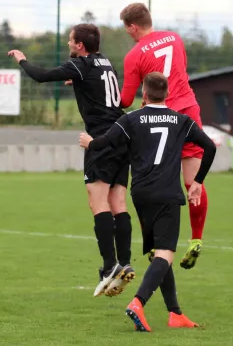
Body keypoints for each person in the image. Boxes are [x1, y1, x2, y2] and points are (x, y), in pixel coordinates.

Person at [79, 72, 216, 331]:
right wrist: (197, 181)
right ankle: (138, 303)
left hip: (141, 193)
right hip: (167, 193)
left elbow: (106, 143)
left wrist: (90, 142)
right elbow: (209, 147)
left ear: (144, 92)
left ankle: (175, 313)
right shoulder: (181, 120)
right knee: (166, 253)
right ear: (167, 94)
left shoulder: (131, 119)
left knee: (157, 252)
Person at [7, 23, 135, 298]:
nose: (68, 44)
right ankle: (124, 261)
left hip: (100, 139)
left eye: (70, 41)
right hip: (121, 137)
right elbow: (97, 86)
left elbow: (40, 76)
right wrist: (77, 81)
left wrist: (22, 59)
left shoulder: (81, 64)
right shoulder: (104, 62)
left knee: (97, 201)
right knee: (118, 202)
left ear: (79, 45)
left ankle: (110, 266)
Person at [118, 2, 208, 270]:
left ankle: (155, 243)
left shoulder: (134, 55)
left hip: (159, 119)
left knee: (149, 181)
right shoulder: (176, 38)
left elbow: (124, 99)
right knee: (192, 181)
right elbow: (179, 73)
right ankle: (196, 239)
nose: (129, 35)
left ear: (133, 26)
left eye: (127, 31)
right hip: (188, 112)